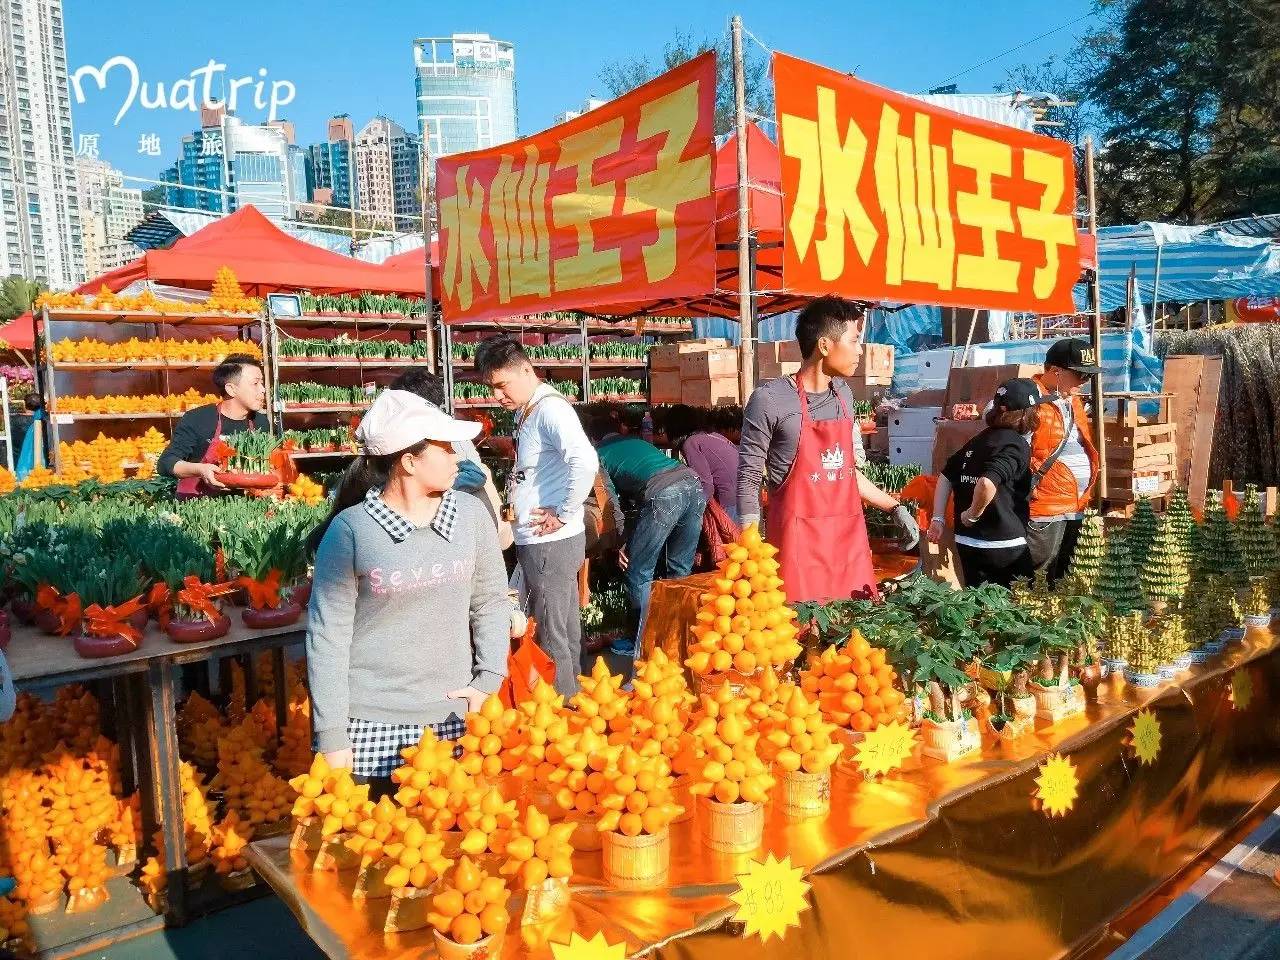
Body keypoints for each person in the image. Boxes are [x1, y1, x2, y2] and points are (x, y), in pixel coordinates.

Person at [305, 389, 509, 780]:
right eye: (446, 448)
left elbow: (490, 602)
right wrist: (331, 735)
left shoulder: (469, 515)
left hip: (455, 714)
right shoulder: (352, 530)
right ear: (410, 461)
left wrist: (489, 679)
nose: (458, 457)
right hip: (368, 723)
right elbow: (326, 638)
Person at [738, 295, 919, 604]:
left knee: (854, 641)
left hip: (847, 544)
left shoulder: (844, 395)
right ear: (824, 346)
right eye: (853, 341)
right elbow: (748, 479)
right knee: (798, 639)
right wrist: (750, 551)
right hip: (797, 551)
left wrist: (893, 507)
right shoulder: (770, 400)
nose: (860, 351)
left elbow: (846, 471)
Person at [474, 336, 598, 695]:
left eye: (501, 385)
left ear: (526, 370)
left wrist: (562, 511)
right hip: (543, 541)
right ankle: (576, 695)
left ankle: (563, 707)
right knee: (561, 622)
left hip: (550, 542)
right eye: (492, 387)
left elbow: (585, 460)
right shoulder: (529, 410)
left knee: (551, 629)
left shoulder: (550, 410)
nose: (497, 395)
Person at [585, 415, 708, 658]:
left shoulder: (596, 455)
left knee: (638, 571)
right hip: (693, 485)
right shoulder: (638, 442)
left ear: (591, 438)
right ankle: (678, 639)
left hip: (664, 494)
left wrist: (622, 542)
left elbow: (609, 503)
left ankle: (640, 641)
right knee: (679, 569)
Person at [928, 378, 1042, 588]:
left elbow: (946, 476)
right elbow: (987, 483)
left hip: (967, 543)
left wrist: (938, 518)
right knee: (1021, 608)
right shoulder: (1015, 445)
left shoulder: (980, 439)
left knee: (979, 607)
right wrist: (972, 514)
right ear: (1027, 413)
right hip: (1002, 545)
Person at [390, 367, 511, 548]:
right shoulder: (436, 429)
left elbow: (475, 474)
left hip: (464, 526)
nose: (454, 456)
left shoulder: (433, 432)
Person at [1027, 338, 1100, 584]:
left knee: (1063, 576)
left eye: (1088, 376)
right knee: (1037, 576)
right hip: (1045, 505)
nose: (1084, 382)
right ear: (1056, 372)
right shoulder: (1030, 397)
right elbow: (995, 417)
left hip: (1075, 504)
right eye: (1080, 375)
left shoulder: (1072, 399)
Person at [157, 354, 269, 497]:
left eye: (262, 383)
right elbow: (166, 463)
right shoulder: (199, 419)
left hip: (247, 507)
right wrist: (200, 470)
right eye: (256, 383)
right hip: (200, 506)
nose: (263, 389)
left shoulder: (260, 422)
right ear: (231, 389)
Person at [664, 405, 738, 523]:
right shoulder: (711, 436)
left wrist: (689, 513)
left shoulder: (691, 443)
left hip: (729, 502)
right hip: (745, 496)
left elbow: (706, 486)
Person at [13, 393, 44, 481]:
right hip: (40, 467)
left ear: (25, 405)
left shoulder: (15, 421)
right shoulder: (43, 420)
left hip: (18, 460)